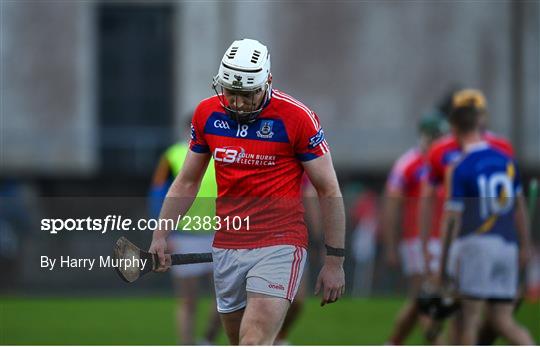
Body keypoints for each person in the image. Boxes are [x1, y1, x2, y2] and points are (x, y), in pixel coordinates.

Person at [149, 38, 346, 345]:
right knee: (238, 340)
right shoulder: (206, 115)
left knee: (253, 340)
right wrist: (160, 234)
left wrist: (334, 261)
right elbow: (187, 181)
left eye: (246, 94)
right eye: (230, 92)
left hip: (280, 242)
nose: (237, 102)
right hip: (227, 244)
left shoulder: (297, 117)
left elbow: (327, 188)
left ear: (266, 83)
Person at [418, 89, 516, 344]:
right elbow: (427, 198)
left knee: (480, 316)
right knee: (454, 311)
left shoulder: (500, 148)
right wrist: (427, 241)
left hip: (475, 240)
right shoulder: (441, 151)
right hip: (459, 238)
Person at [437, 91, 534, 345]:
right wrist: (524, 244)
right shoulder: (506, 160)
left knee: (469, 320)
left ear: (454, 128)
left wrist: (444, 260)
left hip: (477, 246)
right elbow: (519, 207)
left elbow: (452, 218)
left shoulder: (460, 165)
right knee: (504, 321)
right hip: (508, 245)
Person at [149, 130, 221, 345]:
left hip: (219, 235)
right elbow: (157, 192)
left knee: (227, 298)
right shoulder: (173, 155)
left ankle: (207, 340)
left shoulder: (223, 153)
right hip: (184, 235)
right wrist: (162, 233)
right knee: (187, 300)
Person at [383, 112, 446, 345]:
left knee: (419, 301)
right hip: (416, 241)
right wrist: (390, 245)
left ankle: (393, 342)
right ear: (426, 136)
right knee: (427, 299)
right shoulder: (408, 164)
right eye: (437, 136)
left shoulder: (445, 163)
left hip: (441, 240)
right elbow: (391, 205)